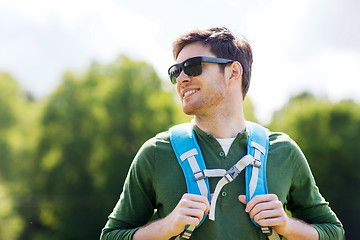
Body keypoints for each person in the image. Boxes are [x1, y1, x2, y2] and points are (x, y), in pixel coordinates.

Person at [100, 27, 345, 240]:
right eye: (176, 71)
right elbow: (111, 236)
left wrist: (287, 225)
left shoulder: (284, 151)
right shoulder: (155, 153)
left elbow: (334, 232)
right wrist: (166, 227)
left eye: (193, 67)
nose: (181, 79)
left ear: (233, 73)